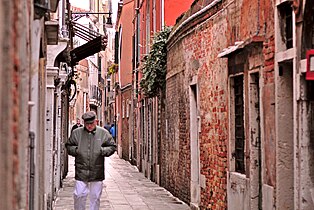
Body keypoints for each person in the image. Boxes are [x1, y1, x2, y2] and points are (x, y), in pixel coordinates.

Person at [66, 111, 116, 210]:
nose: (89, 126)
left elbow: (112, 146)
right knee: (79, 194)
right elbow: (69, 146)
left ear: (95, 122)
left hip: (97, 170)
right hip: (81, 170)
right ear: (84, 123)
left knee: (95, 197)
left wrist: (102, 151)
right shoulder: (77, 133)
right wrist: (77, 150)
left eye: (91, 124)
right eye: (87, 124)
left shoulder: (103, 133)